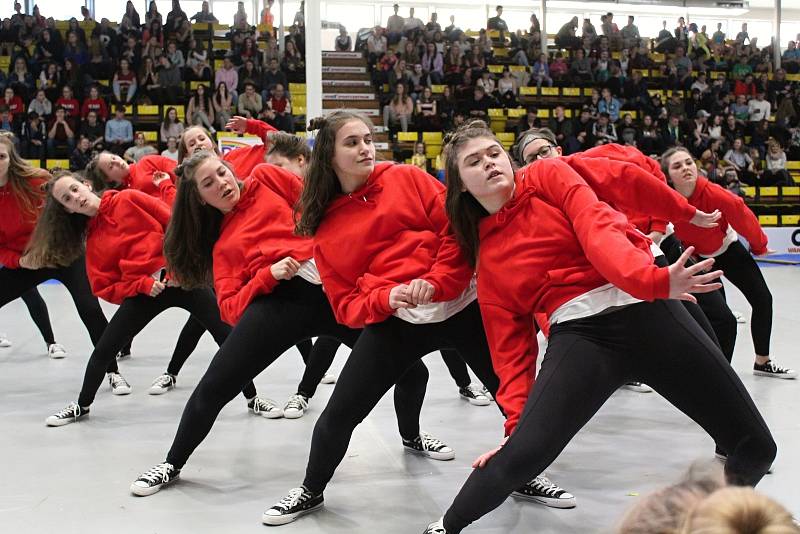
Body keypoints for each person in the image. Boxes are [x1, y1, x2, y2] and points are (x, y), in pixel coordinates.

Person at [421, 120, 776, 534]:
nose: (489, 163)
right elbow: (511, 352)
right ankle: (445, 526)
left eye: (494, 153)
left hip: (649, 309)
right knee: (518, 456)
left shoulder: (548, 174)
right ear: (460, 184)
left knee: (757, 447)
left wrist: (662, 260)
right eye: (473, 161)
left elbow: (597, 226)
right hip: (582, 335)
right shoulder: (490, 259)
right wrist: (516, 427)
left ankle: (710, 525)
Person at [263, 111, 575, 526]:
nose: (365, 148)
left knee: (513, 396)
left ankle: (524, 473)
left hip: (461, 306)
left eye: (368, 139)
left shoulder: (406, 179)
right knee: (340, 414)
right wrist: (387, 296)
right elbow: (346, 306)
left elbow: (458, 231)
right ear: (329, 157)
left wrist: (439, 281)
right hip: (396, 321)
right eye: (352, 142)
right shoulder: (325, 224)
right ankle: (311, 489)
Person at [663, 147, 795, 379]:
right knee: (720, 319)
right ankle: (715, 371)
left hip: (727, 250)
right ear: (668, 175)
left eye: (688, 162)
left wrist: (760, 245)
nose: (685, 168)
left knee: (763, 299)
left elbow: (742, 216)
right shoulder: (666, 200)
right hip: (696, 259)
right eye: (677, 166)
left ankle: (762, 361)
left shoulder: (715, 194)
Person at [0, 133, 112, 360]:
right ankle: (51, 341)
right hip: (28, 262)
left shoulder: (36, 181)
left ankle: (112, 370)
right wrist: (20, 261)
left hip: (66, 255)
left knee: (89, 309)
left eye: (1, 156)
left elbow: (69, 208)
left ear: (10, 158)